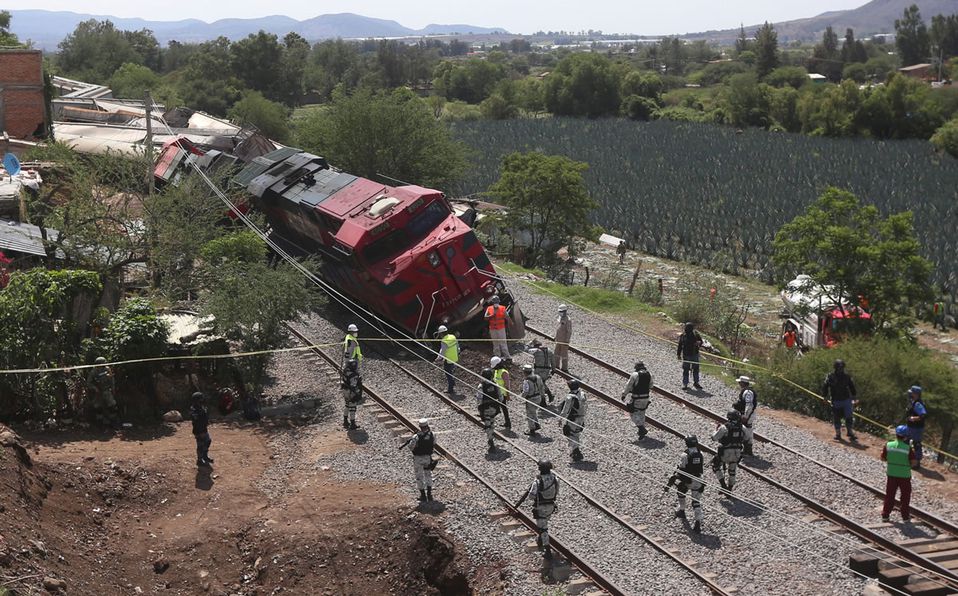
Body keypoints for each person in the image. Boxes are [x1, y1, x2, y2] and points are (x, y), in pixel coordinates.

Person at [515, 459, 559, 557]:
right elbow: (557, 491)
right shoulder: (555, 479)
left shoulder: (538, 481)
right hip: (551, 507)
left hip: (541, 507)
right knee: (543, 525)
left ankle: (547, 550)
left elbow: (531, 496)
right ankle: (540, 539)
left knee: (543, 529)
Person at [665, 435, 705, 534]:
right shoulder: (701, 453)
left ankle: (682, 510)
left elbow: (682, 468)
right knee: (696, 502)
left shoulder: (685, 454)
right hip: (698, 479)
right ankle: (697, 523)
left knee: (681, 491)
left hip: (688, 480)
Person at [880, 425, 917, 522]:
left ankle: (885, 515)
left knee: (890, 495)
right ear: (905, 437)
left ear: (896, 435)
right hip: (904, 475)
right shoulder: (908, 448)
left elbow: (883, 458)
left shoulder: (888, 445)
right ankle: (905, 517)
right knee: (905, 496)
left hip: (891, 474)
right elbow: (913, 462)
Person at [400, 419, 436, 502]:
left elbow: (410, 447)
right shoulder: (432, 434)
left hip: (418, 459)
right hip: (428, 458)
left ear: (420, 426)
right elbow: (434, 443)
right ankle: (429, 495)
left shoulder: (416, 436)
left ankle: (423, 495)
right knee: (428, 475)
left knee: (419, 476)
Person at [822, 359, 858, 442]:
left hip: (846, 400)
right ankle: (838, 434)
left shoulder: (847, 377)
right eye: (839, 368)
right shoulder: (830, 376)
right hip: (836, 400)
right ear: (835, 368)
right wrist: (824, 397)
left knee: (849, 417)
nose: (841, 369)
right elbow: (825, 386)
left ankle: (850, 432)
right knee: (837, 417)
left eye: (842, 367)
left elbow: (851, 386)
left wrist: (854, 396)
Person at [711, 410, 744, 493]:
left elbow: (714, 438)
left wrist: (715, 429)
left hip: (726, 452)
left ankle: (723, 486)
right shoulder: (741, 427)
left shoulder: (724, 427)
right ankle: (729, 489)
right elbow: (746, 438)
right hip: (737, 453)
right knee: (732, 471)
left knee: (716, 465)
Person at [621, 361, 652, 441]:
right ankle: (641, 432)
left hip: (636, 398)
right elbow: (651, 385)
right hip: (646, 398)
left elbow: (629, 385)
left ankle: (641, 428)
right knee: (642, 413)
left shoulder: (635, 375)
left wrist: (624, 394)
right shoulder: (649, 374)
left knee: (632, 413)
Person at [559, 378, 587, 461]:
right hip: (581, 417)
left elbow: (565, 409)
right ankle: (575, 450)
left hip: (572, 418)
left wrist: (561, 418)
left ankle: (575, 451)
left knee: (569, 433)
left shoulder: (569, 397)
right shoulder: (582, 394)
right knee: (576, 434)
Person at [87, 356, 118, 428]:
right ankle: (99, 423)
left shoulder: (107, 369)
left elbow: (111, 379)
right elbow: (89, 382)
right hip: (98, 392)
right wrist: (95, 388)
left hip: (106, 390)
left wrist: (113, 389)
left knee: (112, 405)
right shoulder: (94, 371)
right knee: (98, 407)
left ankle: (114, 422)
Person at [477, 368, 501, 452]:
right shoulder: (495, 384)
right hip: (494, 407)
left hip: (485, 408)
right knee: (492, 422)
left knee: (487, 424)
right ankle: (491, 437)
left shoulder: (481, 386)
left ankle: (490, 440)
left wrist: (479, 407)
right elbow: (500, 396)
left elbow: (479, 398)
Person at [905, 386, 927, 469]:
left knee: (916, 444)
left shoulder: (918, 404)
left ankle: (916, 463)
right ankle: (907, 458)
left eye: (912, 392)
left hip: (916, 428)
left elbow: (923, 415)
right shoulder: (913, 401)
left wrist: (913, 418)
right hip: (911, 427)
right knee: (905, 441)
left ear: (916, 394)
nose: (910, 394)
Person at [735, 376, 758, 456]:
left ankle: (747, 450)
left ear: (742, 383)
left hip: (748, 415)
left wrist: (746, 416)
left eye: (739, 383)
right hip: (749, 414)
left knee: (746, 430)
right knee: (747, 429)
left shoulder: (748, 393)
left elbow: (749, 405)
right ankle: (747, 449)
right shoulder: (747, 391)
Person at [521, 364, 546, 437]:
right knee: (534, 411)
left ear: (525, 372)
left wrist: (521, 397)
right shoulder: (538, 377)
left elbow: (525, 391)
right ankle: (536, 424)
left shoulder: (526, 381)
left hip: (531, 399)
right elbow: (542, 387)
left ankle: (532, 430)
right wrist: (543, 397)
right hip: (538, 397)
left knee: (529, 414)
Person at [676, 323, 703, 390]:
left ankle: (696, 382)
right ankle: (685, 384)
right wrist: (678, 354)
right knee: (686, 369)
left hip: (694, 354)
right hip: (686, 355)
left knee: (695, 369)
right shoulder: (683, 336)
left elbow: (701, 342)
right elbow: (680, 345)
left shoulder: (696, 335)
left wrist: (698, 343)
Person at [191, 392, 213, 468]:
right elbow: (197, 420)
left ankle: (205, 456)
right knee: (200, 445)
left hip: (203, 429)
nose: (202, 400)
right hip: (199, 430)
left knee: (208, 441)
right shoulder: (194, 409)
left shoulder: (200, 407)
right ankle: (200, 460)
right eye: (200, 399)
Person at [435, 325, 460, 394]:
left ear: (441, 333)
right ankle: (452, 382)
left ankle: (450, 389)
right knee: (451, 371)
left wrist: (438, 358)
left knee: (448, 373)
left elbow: (442, 352)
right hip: (455, 358)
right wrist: (457, 353)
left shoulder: (444, 341)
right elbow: (458, 347)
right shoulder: (452, 336)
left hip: (448, 360)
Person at [485, 295, 509, 360]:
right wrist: (491, 315)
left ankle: (507, 357)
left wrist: (511, 323)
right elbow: (485, 318)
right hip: (493, 329)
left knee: (503, 343)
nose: (496, 303)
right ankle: (497, 356)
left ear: (498, 302)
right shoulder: (489, 308)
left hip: (501, 329)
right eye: (494, 302)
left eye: (496, 302)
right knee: (495, 344)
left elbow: (507, 317)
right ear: (492, 302)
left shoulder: (502, 308)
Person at [341, 358, 363, 430]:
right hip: (351, 391)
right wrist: (357, 393)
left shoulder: (345, 371)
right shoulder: (354, 375)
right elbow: (353, 385)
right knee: (352, 407)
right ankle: (352, 424)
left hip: (345, 390)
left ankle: (345, 421)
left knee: (347, 405)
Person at [491, 356, 512, 429]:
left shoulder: (504, 372)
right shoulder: (497, 371)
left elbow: (507, 385)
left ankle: (489, 420)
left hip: (502, 394)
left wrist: (508, 395)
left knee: (499, 407)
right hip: (497, 393)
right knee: (503, 407)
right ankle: (507, 422)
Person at [555, 305, 572, 372]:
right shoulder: (560, 318)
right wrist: (556, 337)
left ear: (565, 311)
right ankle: (556, 365)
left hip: (564, 340)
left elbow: (569, 331)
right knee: (556, 353)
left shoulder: (568, 320)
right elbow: (558, 328)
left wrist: (567, 340)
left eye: (561, 311)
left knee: (564, 355)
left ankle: (564, 368)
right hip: (558, 339)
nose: (560, 313)